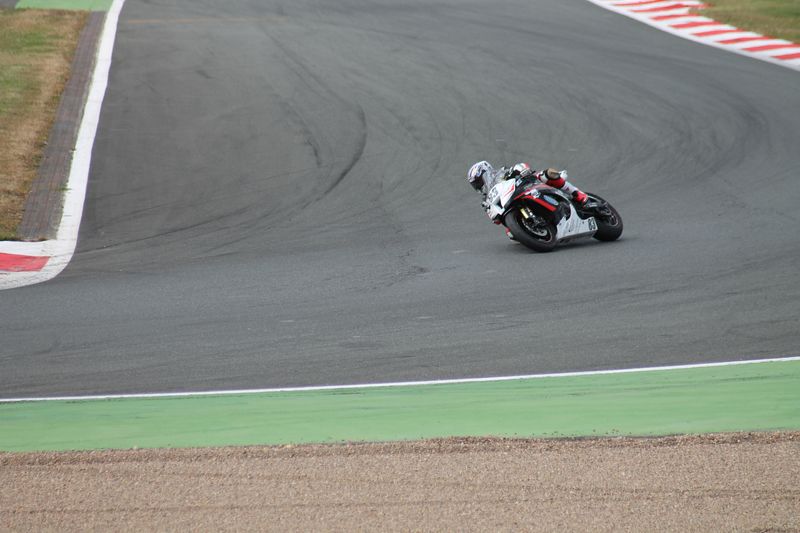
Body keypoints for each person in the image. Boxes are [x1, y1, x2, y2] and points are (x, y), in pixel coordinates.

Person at [466, 160, 588, 205]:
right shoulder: (489, 198)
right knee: (511, 234)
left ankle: (577, 193)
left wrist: (521, 170)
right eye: (476, 185)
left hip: (529, 185)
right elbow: (496, 220)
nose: (479, 186)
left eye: (478, 182)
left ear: (485, 173)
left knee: (547, 174)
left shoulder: (502, 173)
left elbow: (521, 166)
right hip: (513, 200)